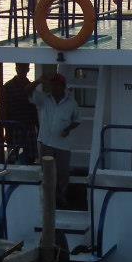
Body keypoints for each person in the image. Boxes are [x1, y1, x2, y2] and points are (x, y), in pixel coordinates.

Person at [29, 72, 79, 206]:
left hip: (63, 145)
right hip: (46, 143)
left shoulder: (71, 103)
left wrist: (68, 129)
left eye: (56, 85)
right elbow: (27, 91)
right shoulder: (44, 99)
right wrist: (38, 81)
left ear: (62, 86)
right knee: (47, 173)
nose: (53, 87)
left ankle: (61, 197)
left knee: (63, 174)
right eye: (52, 84)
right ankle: (48, 199)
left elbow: (77, 120)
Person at [0, 63, 38, 163]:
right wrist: (5, 129)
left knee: (30, 155)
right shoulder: (7, 87)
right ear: (16, 69)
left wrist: (38, 125)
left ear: (28, 70)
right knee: (14, 154)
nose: (22, 71)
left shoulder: (31, 86)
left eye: (25, 69)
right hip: (14, 126)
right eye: (20, 68)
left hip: (29, 125)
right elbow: (3, 108)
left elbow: (34, 108)